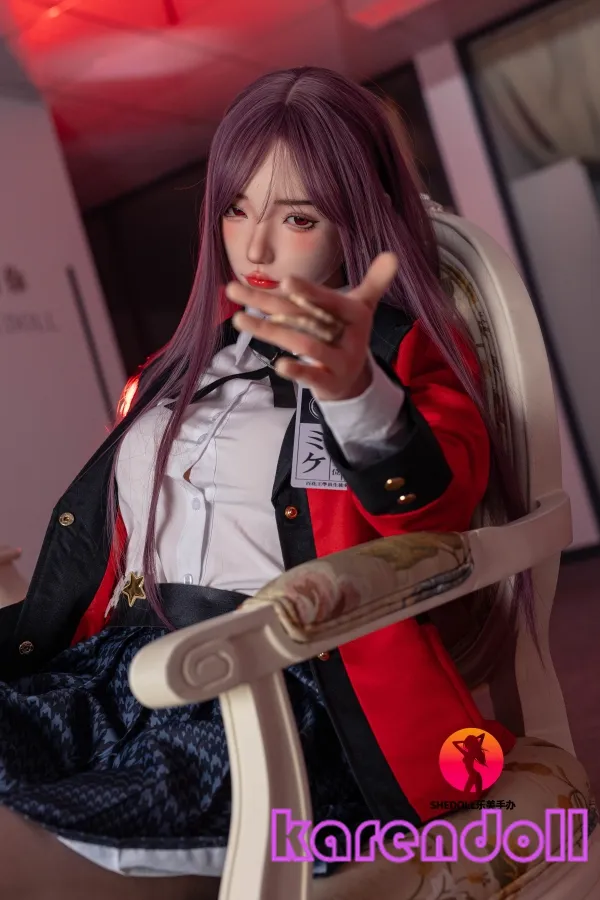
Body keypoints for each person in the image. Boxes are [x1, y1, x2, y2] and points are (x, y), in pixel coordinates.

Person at [0, 66, 525, 899]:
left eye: (299, 218)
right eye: (237, 209)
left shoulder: (396, 358)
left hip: (282, 687)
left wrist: (356, 393)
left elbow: (437, 500)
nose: (254, 247)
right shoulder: (176, 369)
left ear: (357, 222)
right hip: (126, 667)